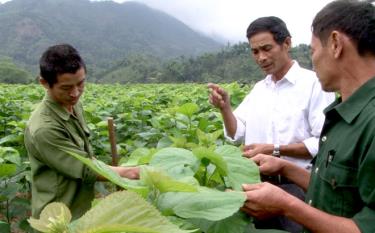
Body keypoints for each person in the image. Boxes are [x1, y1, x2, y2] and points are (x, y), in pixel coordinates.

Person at [242, 0, 375, 232]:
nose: (312, 61)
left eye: (313, 51)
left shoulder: (370, 121)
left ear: (335, 44)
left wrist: (286, 206)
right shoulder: (342, 113)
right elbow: (333, 190)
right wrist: (284, 167)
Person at [208, 16, 335, 232]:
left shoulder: (313, 84)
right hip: (256, 183)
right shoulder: (259, 89)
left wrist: (274, 150)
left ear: (286, 43)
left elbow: (323, 142)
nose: (261, 57)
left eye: (267, 48)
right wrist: (225, 108)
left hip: (297, 187)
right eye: (255, 52)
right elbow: (236, 133)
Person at [24, 44, 140, 220]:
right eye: (66, 88)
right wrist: (130, 173)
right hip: (59, 219)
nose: (75, 93)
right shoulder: (44, 128)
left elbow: (85, 155)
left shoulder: (74, 104)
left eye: (80, 83)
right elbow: (86, 169)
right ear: (44, 83)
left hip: (82, 208)